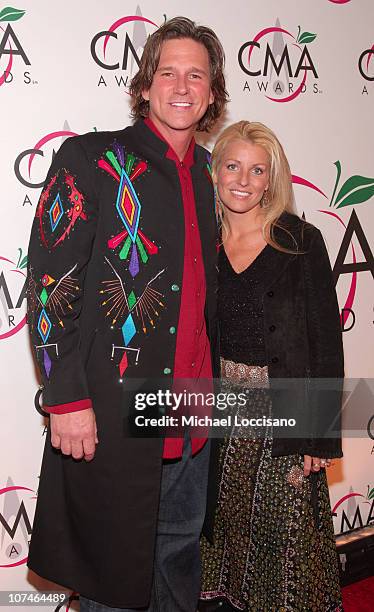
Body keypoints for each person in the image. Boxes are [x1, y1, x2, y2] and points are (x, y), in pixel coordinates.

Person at [27, 17, 228, 612]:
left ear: (213, 93)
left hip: (193, 419)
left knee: (177, 568)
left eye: (197, 75)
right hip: (114, 417)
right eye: (168, 72)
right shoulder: (92, 159)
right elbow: (48, 286)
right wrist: (65, 399)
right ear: (145, 86)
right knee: (112, 584)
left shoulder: (213, 177)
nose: (183, 86)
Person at [199, 121, 344, 611]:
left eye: (257, 170)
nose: (243, 179)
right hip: (221, 418)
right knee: (226, 540)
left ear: (271, 179)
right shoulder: (202, 242)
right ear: (215, 171)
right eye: (233, 166)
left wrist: (320, 436)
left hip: (286, 416)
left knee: (287, 548)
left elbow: (325, 342)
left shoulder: (301, 240)